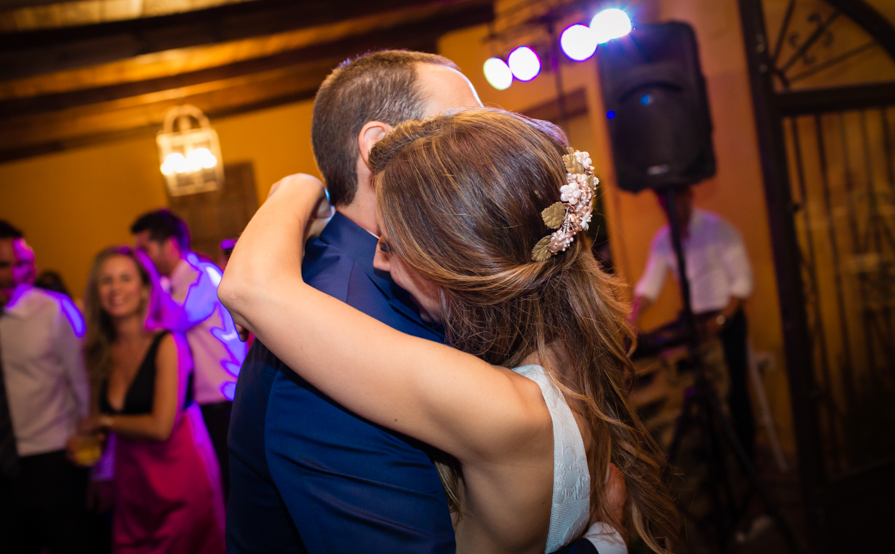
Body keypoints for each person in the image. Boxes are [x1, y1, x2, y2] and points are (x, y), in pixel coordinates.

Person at [220, 108, 679, 554]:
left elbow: (249, 287)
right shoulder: (573, 353)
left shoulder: (492, 403)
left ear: (457, 262)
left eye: (393, 243)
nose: (379, 260)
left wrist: (296, 186)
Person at [73, 245, 225, 553]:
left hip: (178, 474)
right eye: (106, 280)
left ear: (144, 289)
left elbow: (160, 426)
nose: (115, 288)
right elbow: (95, 427)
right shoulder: (97, 351)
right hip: (132, 481)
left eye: (125, 278)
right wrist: (91, 458)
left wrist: (102, 422)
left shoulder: (169, 343)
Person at [630, 185, 756, 458]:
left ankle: (746, 460)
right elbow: (649, 287)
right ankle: (713, 457)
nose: (670, 210)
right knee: (696, 390)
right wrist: (631, 319)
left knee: (735, 391)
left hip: (726, 319)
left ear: (689, 197)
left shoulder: (717, 229)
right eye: (665, 205)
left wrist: (720, 322)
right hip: (694, 323)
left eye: (675, 202)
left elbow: (743, 282)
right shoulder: (664, 240)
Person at [132, 210, 246, 496]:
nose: (139, 258)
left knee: (235, 484)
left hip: (223, 399)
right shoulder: (172, 283)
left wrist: (146, 284)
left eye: (144, 249)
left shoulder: (201, 275)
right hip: (202, 403)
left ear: (169, 246)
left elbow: (174, 320)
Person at [0, 219, 89, 554]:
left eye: (18, 265)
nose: (11, 275)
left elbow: (82, 387)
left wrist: (96, 464)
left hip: (51, 460)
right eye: (0, 265)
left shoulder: (52, 309)